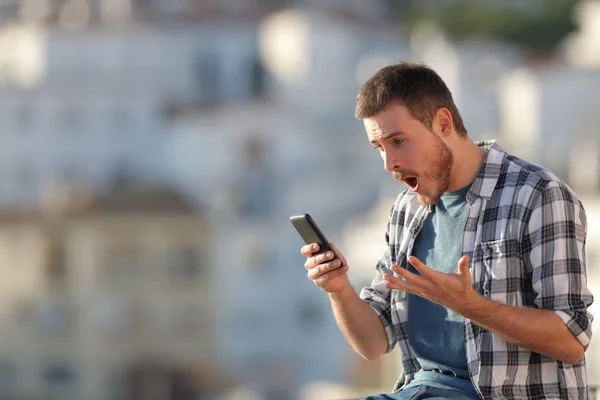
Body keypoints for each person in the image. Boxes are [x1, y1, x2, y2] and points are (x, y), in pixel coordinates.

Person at [300, 62, 594, 400]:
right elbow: (372, 343)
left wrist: (470, 306)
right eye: (379, 147)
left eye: (399, 141)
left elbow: (571, 342)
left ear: (443, 123)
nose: (388, 163)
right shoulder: (406, 209)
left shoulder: (537, 194)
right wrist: (338, 289)